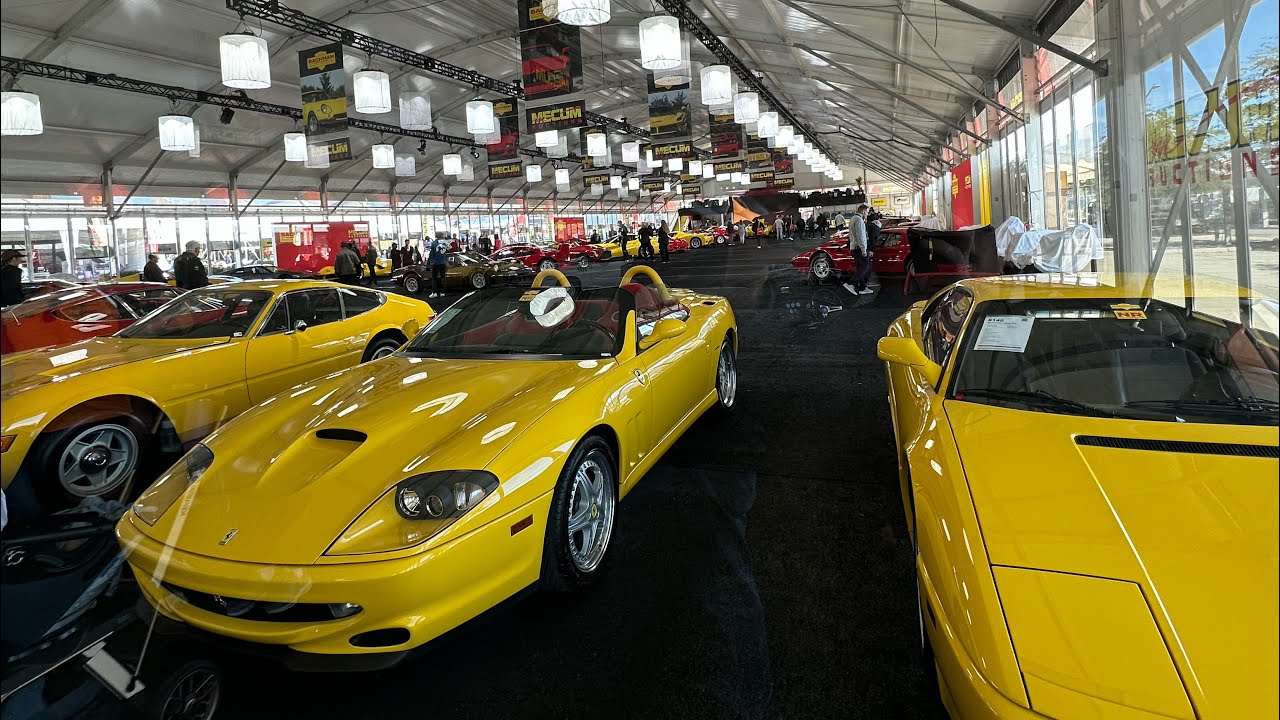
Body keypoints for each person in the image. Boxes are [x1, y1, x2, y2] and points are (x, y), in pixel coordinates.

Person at [843, 205, 875, 295]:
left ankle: (862, 287)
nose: (867, 214)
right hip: (859, 248)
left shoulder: (853, 218)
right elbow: (861, 236)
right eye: (867, 212)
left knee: (860, 268)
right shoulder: (859, 220)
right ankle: (851, 283)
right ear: (864, 211)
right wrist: (864, 249)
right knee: (866, 267)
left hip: (854, 247)